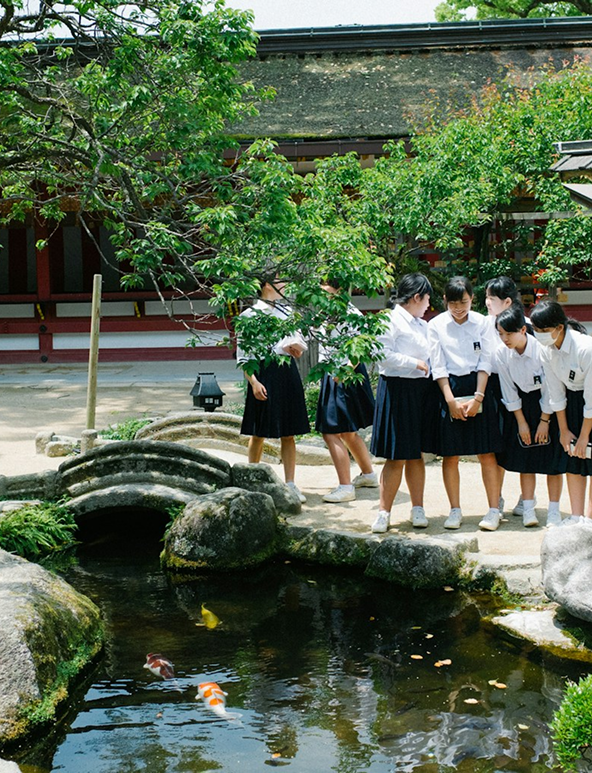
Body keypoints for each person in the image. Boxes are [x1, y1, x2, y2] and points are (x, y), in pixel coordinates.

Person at [428, 276, 504, 531]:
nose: (459, 308)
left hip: (479, 386)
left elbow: (486, 360)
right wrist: (449, 400)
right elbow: (437, 365)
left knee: (487, 452)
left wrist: (478, 397)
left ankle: (494, 510)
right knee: (450, 455)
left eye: (463, 302)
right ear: (445, 301)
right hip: (449, 387)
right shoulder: (436, 325)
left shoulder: (483, 322)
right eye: (453, 303)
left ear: (472, 298)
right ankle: (455, 510)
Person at [236, 276, 310, 503]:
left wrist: (296, 348)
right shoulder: (249, 316)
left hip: (287, 370)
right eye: (280, 282)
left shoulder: (287, 313)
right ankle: (251, 478)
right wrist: (254, 382)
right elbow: (243, 356)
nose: (285, 285)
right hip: (263, 371)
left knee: (289, 432)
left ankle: (290, 483)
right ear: (267, 285)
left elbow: (301, 341)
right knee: (258, 432)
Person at [369, 273, 433, 533]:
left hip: (420, 390)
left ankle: (418, 507)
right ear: (416, 297)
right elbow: (381, 355)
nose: (429, 304)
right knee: (396, 455)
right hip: (396, 389)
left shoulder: (422, 324)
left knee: (416, 453)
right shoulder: (389, 319)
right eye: (427, 298)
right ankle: (384, 512)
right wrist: (414, 363)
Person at [495, 303, 563, 527]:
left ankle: (554, 510)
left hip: (548, 405)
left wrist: (545, 421)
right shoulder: (502, 354)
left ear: (523, 330)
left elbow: (551, 388)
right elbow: (508, 390)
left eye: (509, 333)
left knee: (553, 460)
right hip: (521, 406)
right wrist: (522, 423)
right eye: (501, 334)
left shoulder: (542, 351)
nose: (505, 339)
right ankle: (528, 509)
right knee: (526, 460)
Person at [315, 279, 378, 503]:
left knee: (332, 431)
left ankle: (345, 486)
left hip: (343, 372)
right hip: (335, 371)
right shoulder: (326, 312)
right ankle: (368, 474)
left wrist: (344, 372)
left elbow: (360, 348)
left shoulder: (351, 314)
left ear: (340, 290)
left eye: (327, 291)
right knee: (347, 432)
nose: (323, 296)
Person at [530, 299, 592, 521]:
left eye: (544, 330)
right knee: (573, 456)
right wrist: (564, 430)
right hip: (571, 400)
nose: (539, 335)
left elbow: (591, 399)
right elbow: (556, 394)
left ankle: (589, 517)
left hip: (590, 401)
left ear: (559, 328)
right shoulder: (546, 350)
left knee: (590, 454)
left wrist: (585, 435)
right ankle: (576, 516)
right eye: (536, 330)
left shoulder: (585, 348)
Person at [484, 276, 522, 516]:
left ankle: (526, 497)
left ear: (507, 301)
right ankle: (495, 498)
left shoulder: (524, 324)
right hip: (491, 386)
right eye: (486, 297)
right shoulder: (482, 324)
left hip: (520, 387)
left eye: (492, 298)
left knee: (520, 442)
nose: (487, 302)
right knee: (493, 445)